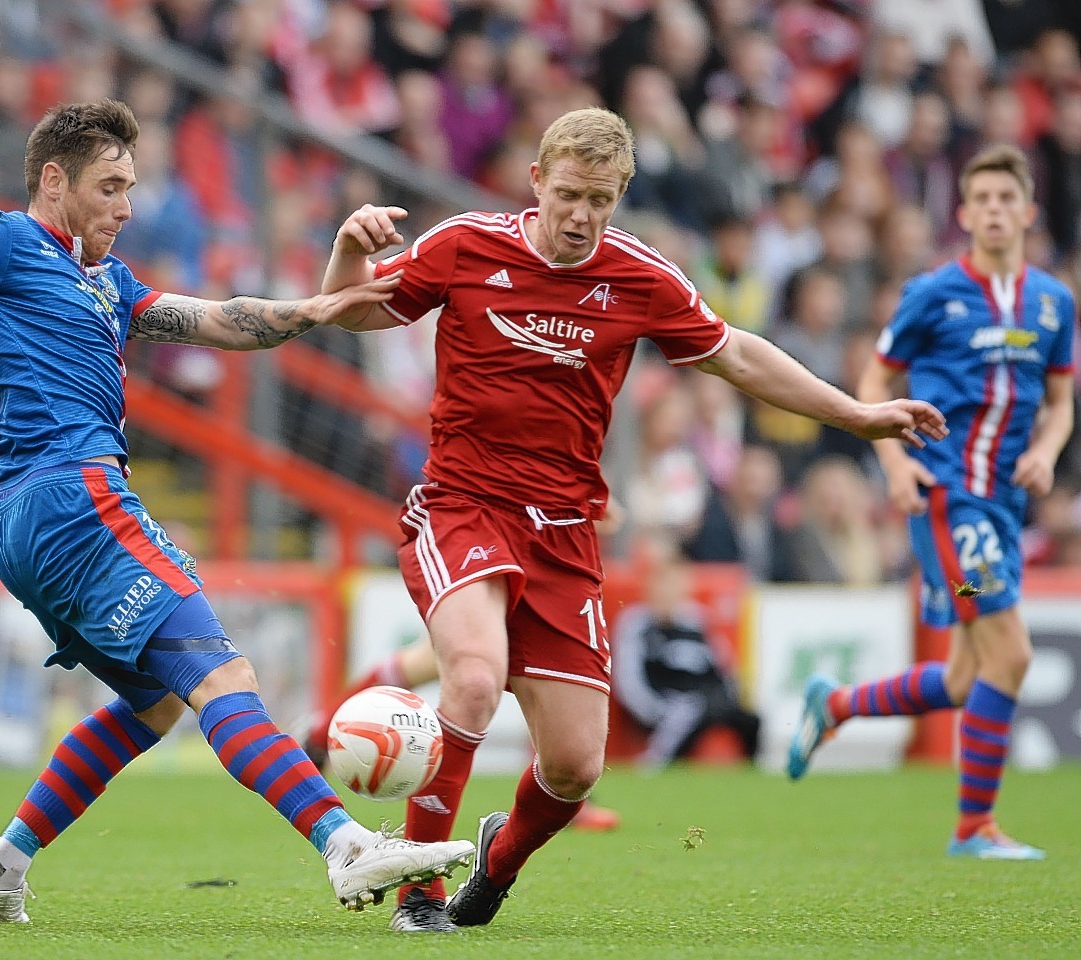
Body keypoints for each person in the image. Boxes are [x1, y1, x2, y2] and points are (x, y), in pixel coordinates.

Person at [0, 98, 474, 923]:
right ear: (53, 179)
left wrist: (333, 288)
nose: (125, 205)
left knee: (153, 702)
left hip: (24, 518)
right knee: (225, 676)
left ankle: (2, 863)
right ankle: (346, 844)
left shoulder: (109, 281)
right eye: (110, 186)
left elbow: (229, 323)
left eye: (131, 187)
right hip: (69, 496)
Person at [320, 106, 947, 933]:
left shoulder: (638, 274)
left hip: (566, 531)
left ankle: (494, 863)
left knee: (576, 767)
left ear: (620, 196)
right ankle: (420, 895)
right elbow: (349, 310)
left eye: (602, 201)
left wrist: (855, 414)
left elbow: (736, 353)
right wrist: (345, 254)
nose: (582, 216)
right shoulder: (466, 244)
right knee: (471, 678)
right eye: (570, 194)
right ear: (537, 181)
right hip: (461, 506)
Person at [788, 144, 1075, 861]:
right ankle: (972, 828)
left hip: (1003, 506)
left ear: (1027, 211)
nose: (993, 211)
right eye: (980, 199)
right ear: (964, 212)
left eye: (1006, 199)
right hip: (949, 500)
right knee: (1008, 656)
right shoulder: (932, 293)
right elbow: (872, 376)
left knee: (963, 677)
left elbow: (1063, 398)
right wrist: (890, 462)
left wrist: (1045, 450)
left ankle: (835, 705)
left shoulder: (1052, 301)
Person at [612, 537, 759, 770]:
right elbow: (628, 681)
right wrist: (657, 710)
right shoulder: (636, 624)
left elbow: (725, 668)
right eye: (662, 583)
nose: (668, 591)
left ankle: (750, 774)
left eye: (674, 583)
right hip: (666, 705)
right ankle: (653, 766)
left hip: (705, 702)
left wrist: (728, 700)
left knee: (752, 720)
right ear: (650, 585)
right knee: (685, 714)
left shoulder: (698, 620)